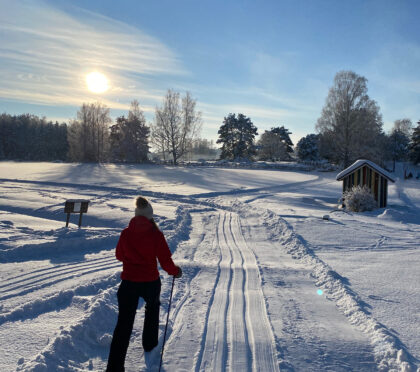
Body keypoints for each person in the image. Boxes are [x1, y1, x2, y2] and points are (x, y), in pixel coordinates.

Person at [106, 196, 182, 372]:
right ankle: (149, 343)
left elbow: (119, 255)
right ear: (150, 215)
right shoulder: (156, 234)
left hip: (128, 283)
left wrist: (132, 259)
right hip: (149, 281)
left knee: (123, 325)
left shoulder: (126, 232)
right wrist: (175, 271)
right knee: (152, 308)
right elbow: (165, 261)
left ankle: (114, 368)